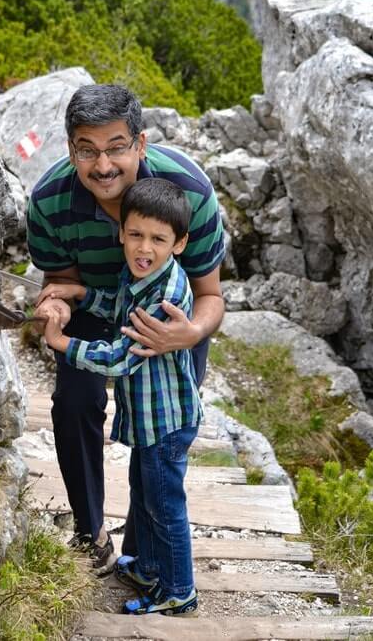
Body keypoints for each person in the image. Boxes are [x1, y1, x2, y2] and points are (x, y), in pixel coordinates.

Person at [27, 84, 225, 572]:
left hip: (169, 315)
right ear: (70, 148)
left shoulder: (191, 193)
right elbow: (63, 284)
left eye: (117, 146)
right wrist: (57, 310)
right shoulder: (49, 202)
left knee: (160, 428)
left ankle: (144, 550)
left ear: (140, 143)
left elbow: (210, 295)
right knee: (75, 400)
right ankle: (89, 530)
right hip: (95, 302)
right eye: (87, 150)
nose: (103, 165)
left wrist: (191, 334)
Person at [40, 178, 200, 615]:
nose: (143, 247)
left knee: (164, 505)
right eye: (135, 235)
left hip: (167, 419)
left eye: (158, 239)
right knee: (144, 493)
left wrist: (62, 343)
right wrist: (81, 293)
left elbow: (116, 359)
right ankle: (148, 567)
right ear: (121, 232)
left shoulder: (164, 297)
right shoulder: (144, 275)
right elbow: (117, 305)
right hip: (149, 415)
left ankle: (179, 590)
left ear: (179, 243)